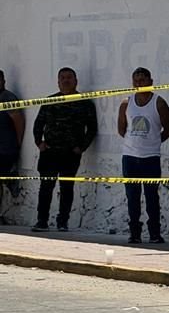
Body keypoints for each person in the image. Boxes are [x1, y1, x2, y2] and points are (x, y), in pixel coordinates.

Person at [31, 67, 98, 232]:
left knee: (67, 188)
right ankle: (42, 221)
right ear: (58, 82)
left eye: (69, 78)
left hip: (70, 154)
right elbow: (38, 124)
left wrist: (81, 148)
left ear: (76, 81)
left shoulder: (84, 103)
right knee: (46, 188)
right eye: (62, 78)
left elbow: (92, 128)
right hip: (50, 152)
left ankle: (63, 221)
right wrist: (39, 143)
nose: (66, 81)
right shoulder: (50, 101)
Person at [117, 67, 169, 244]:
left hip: (150, 157)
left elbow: (168, 129)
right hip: (130, 157)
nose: (139, 83)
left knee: (151, 196)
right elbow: (121, 129)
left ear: (151, 82)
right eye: (136, 80)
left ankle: (154, 233)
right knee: (132, 197)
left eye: (143, 80)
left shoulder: (159, 103)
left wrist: (153, 142)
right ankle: (135, 232)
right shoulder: (126, 103)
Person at [0, 70, 25, 221]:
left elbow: (19, 121)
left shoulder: (7, 97)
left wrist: (17, 143)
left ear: (3, 81)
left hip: (4, 149)